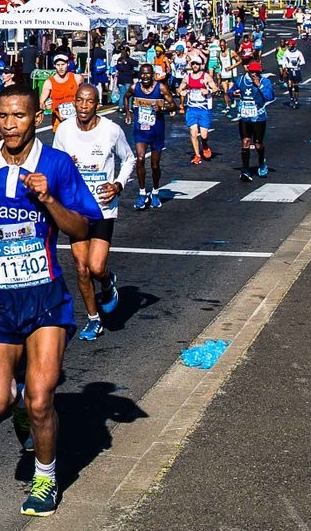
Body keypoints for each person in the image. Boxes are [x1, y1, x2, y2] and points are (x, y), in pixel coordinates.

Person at [0, 82, 102, 515]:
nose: (9, 125)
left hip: (44, 297)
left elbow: (81, 228)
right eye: (2, 116)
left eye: (18, 116)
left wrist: (48, 198)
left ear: (36, 118)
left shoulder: (55, 163)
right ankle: (18, 407)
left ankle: (45, 477)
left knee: (40, 397)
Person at [51, 83, 133, 342]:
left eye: (89, 101)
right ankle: (94, 319)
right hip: (76, 209)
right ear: (74, 102)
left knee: (96, 267)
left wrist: (117, 185)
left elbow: (129, 159)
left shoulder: (111, 130)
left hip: (102, 208)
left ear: (97, 104)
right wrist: (66, 166)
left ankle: (107, 283)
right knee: (82, 268)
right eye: (80, 100)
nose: (84, 106)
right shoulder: (64, 130)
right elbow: (55, 164)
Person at [128, 61, 173, 210]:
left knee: (155, 165)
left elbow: (173, 105)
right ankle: (142, 193)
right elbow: (126, 97)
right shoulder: (135, 88)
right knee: (140, 159)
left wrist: (162, 108)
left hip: (157, 130)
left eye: (148, 73)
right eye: (143, 74)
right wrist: (128, 112)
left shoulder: (161, 88)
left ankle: (155, 191)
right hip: (140, 130)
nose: (145, 76)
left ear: (153, 75)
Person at [230, 59, 272, 180]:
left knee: (258, 144)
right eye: (252, 71)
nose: (254, 74)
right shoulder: (240, 80)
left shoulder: (265, 81)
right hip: (245, 117)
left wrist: (260, 85)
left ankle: (261, 162)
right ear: (248, 71)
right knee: (245, 142)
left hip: (259, 117)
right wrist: (234, 93)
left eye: (256, 72)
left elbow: (270, 96)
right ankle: (246, 169)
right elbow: (230, 91)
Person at [181, 56, 217, 164]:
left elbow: (215, 88)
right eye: (193, 64)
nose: (195, 66)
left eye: (197, 64)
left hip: (204, 109)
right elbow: (180, 89)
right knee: (193, 133)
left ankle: (205, 145)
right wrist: (182, 92)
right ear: (191, 65)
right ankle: (197, 155)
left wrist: (208, 91)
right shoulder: (187, 77)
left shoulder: (206, 76)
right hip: (192, 109)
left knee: (204, 135)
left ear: (200, 65)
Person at [39, 50, 81, 131]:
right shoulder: (49, 83)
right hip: (58, 121)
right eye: (58, 65)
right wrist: (45, 106)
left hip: (76, 120)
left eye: (63, 64)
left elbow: (84, 94)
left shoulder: (77, 78)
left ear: (68, 64)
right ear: (54, 66)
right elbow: (41, 103)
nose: (60, 67)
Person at [277, 38, 305, 108]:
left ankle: (296, 99)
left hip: (296, 70)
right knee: (289, 85)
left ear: (293, 45)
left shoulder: (298, 53)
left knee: (296, 86)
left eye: (290, 45)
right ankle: (291, 97)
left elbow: (303, 61)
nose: (288, 46)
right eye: (288, 45)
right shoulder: (286, 52)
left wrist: (298, 63)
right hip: (289, 70)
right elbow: (283, 61)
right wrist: (285, 67)